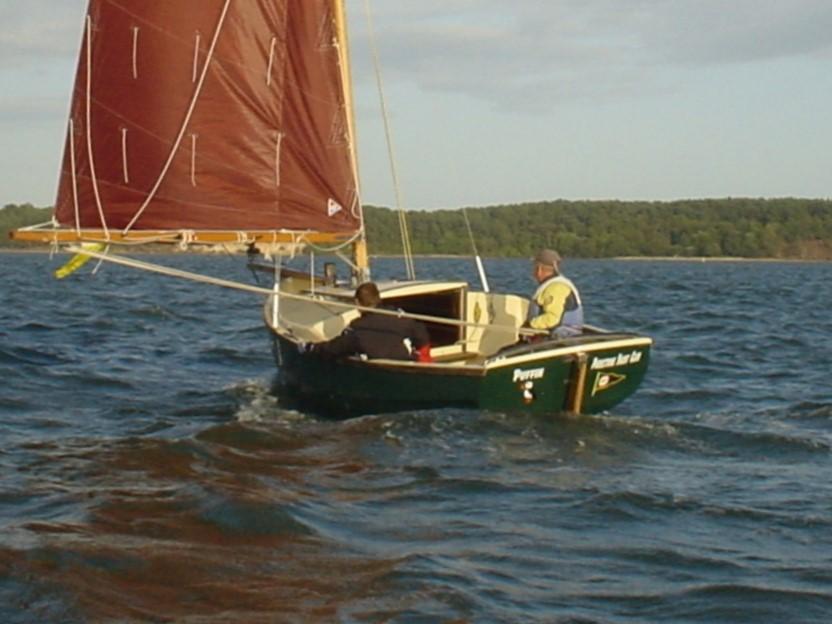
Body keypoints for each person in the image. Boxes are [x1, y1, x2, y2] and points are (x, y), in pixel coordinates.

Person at [311, 282, 432, 361]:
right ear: (378, 299)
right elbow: (420, 333)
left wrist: (311, 347)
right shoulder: (400, 318)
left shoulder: (357, 328)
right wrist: (421, 353)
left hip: (378, 372)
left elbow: (336, 347)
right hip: (405, 362)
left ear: (358, 303)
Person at [525, 248, 583, 339]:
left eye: (534, 267)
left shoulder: (556, 288)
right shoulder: (556, 285)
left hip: (561, 338)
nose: (532, 272)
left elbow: (552, 318)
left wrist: (530, 324)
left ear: (539, 269)